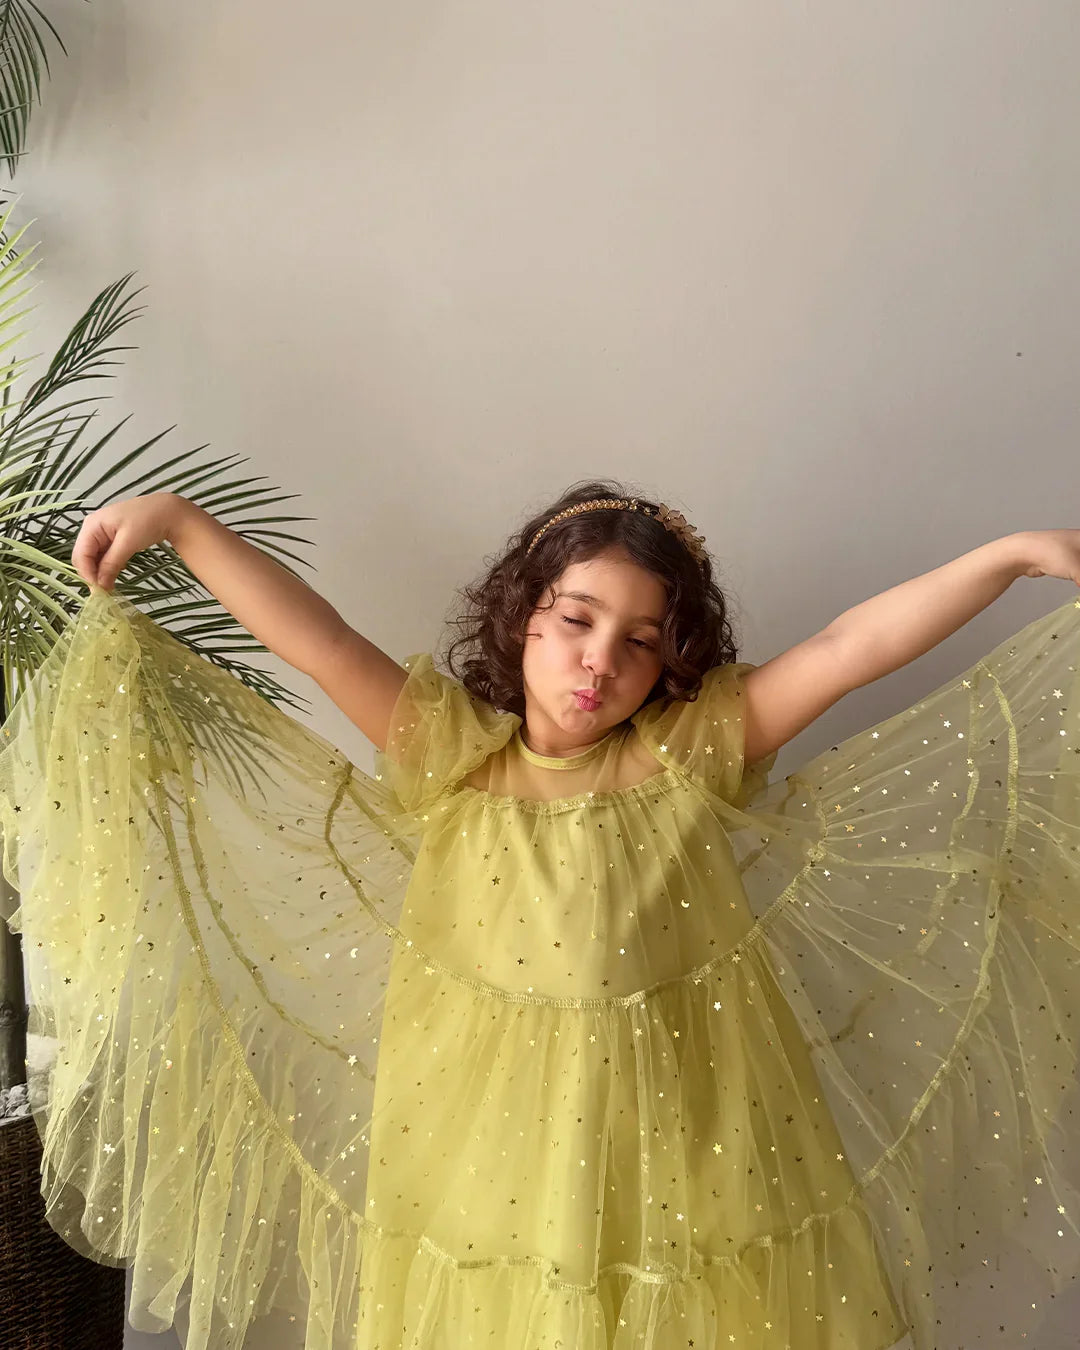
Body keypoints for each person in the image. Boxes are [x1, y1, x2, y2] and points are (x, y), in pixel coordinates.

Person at [2, 476, 1080, 1350]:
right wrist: (186, 527)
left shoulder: (689, 752)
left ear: (671, 663)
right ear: (522, 618)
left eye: (641, 640)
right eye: (576, 620)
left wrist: (1010, 555)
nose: (600, 659)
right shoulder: (453, 755)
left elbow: (849, 649)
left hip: (691, 1132)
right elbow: (319, 641)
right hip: (494, 1149)